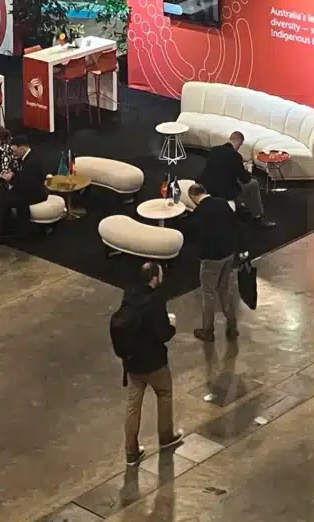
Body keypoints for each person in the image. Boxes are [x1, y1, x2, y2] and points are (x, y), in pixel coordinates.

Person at [111, 261, 185, 465]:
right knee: (164, 394)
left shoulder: (130, 294)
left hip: (132, 364)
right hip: (154, 363)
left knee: (133, 406)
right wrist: (172, 325)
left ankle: (131, 452)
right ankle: (166, 437)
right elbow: (162, 334)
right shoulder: (155, 301)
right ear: (154, 278)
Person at [188, 182, 245, 341]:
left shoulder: (199, 211)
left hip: (211, 258)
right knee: (224, 289)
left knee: (208, 292)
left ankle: (208, 330)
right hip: (228, 253)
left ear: (193, 196)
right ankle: (232, 327)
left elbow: (193, 234)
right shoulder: (222, 203)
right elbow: (237, 224)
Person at [199, 131, 271, 228]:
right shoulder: (235, 156)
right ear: (238, 143)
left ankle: (242, 205)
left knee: (232, 181)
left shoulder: (214, 150)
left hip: (207, 186)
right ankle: (258, 215)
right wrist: (248, 170)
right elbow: (245, 179)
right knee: (253, 183)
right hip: (224, 191)